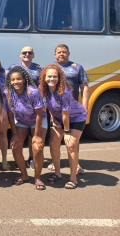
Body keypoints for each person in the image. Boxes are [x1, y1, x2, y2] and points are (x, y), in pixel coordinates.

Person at [39, 64, 87, 189]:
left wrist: (66, 132)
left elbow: (66, 113)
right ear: (44, 78)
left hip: (76, 117)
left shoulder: (64, 91)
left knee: (71, 145)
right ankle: (57, 173)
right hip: (59, 118)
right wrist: (54, 119)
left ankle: (73, 178)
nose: (52, 79)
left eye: (55, 77)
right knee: (54, 142)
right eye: (49, 76)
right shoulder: (42, 89)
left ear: (59, 78)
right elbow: (48, 106)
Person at [5, 66, 48, 190]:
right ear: (10, 81)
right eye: (13, 80)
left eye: (19, 79)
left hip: (37, 120)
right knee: (15, 145)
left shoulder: (32, 92)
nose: (16, 82)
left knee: (37, 148)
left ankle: (37, 177)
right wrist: (14, 133)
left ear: (24, 79)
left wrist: (36, 135)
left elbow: (39, 114)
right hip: (22, 121)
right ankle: (24, 175)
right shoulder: (8, 93)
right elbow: (10, 114)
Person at [50, 44, 89, 174]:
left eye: (64, 52)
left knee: (73, 140)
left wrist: (85, 106)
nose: (62, 54)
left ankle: (76, 164)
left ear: (68, 54)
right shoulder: (50, 68)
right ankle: (55, 163)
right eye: (59, 52)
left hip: (73, 110)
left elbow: (84, 87)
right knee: (55, 139)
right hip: (56, 111)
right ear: (55, 54)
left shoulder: (77, 68)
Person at [8, 46, 43, 170]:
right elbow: (7, 82)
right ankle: (20, 162)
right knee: (18, 142)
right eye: (24, 52)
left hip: (35, 107)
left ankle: (32, 159)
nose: (27, 54)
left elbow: (44, 84)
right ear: (20, 55)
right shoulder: (13, 68)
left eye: (29, 53)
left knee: (35, 141)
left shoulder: (39, 69)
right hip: (21, 113)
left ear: (33, 55)